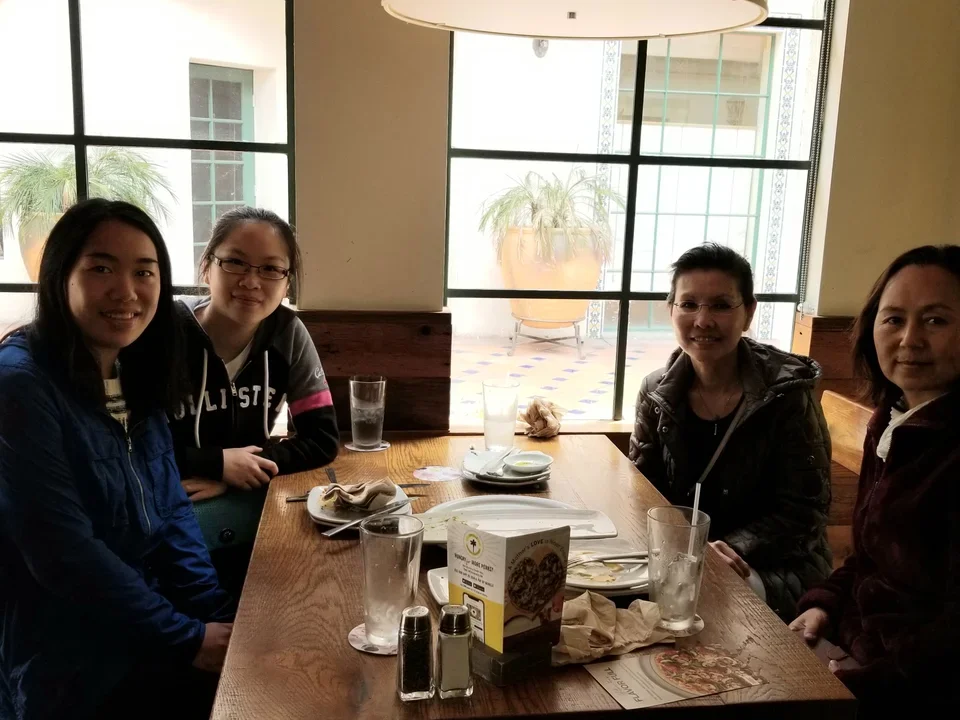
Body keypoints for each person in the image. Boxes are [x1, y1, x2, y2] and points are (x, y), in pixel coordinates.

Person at [0, 199, 234, 720]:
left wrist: (214, 616)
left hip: (148, 622)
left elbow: (171, 510)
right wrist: (188, 638)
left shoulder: (133, 369)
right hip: (68, 656)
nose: (127, 292)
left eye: (144, 272)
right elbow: (64, 553)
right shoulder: (21, 383)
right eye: (101, 268)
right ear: (62, 275)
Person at [790, 245, 960, 709]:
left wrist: (864, 684)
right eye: (893, 319)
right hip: (855, 652)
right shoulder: (895, 421)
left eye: (935, 320)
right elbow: (869, 559)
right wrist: (823, 605)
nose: (909, 339)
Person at [629, 243, 832, 621]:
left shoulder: (786, 395)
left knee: (703, 610)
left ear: (748, 312)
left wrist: (729, 549)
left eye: (721, 305)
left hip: (774, 566)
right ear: (670, 309)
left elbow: (804, 514)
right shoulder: (657, 393)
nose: (703, 320)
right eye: (689, 304)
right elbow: (644, 493)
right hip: (682, 561)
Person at [169, 207, 338, 593]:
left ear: (287, 282)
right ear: (206, 267)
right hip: (167, 507)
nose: (250, 281)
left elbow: (322, 437)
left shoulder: (287, 333)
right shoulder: (165, 333)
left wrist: (241, 473)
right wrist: (216, 464)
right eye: (235, 263)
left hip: (243, 504)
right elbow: (129, 444)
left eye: (270, 268)